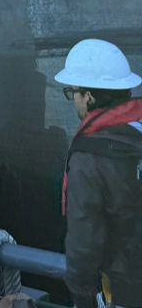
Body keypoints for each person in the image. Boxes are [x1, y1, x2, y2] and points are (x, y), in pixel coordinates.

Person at [55, 39, 142, 308]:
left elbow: (84, 240)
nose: (74, 101)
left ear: (89, 96)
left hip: (126, 284)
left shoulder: (88, 158)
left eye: (73, 93)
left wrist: (82, 295)